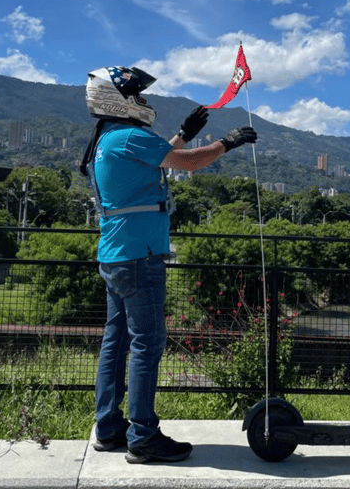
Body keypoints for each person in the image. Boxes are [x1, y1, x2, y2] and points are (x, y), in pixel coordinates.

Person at [80, 66, 257, 464]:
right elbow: (186, 163)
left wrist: (184, 133)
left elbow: (160, 161)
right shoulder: (129, 135)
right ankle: (143, 435)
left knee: (117, 341)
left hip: (115, 256)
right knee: (147, 343)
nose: (143, 101)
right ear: (118, 99)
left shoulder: (109, 139)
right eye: (137, 95)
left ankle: (108, 428)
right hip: (140, 258)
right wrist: (226, 143)